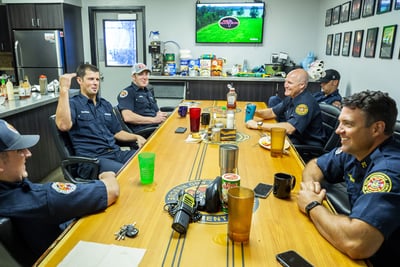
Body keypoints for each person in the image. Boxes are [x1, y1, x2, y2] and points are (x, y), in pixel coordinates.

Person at [297, 90, 400, 266]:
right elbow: (315, 165)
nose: (338, 131)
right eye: (340, 123)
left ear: (377, 128)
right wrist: (310, 188)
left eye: (348, 124)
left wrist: (312, 205)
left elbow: (357, 244)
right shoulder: (356, 149)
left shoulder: (389, 171)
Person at [0, 119, 119, 264]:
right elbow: (111, 191)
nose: (28, 153)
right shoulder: (44, 198)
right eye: (19, 150)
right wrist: (108, 175)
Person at [56, 63, 146, 178]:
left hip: (114, 153)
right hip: (92, 161)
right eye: (91, 79)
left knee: (147, 159)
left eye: (97, 79)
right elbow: (63, 125)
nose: (95, 83)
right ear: (79, 80)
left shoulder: (105, 104)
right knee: (129, 173)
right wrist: (63, 90)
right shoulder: (73, 104)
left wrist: (136, 137)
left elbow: (117, 132)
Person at [246, 68, 325, 146]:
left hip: (306, 145)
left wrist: (258, 125)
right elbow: (272, 112)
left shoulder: (305, 104)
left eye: (290, 83)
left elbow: (289, 128)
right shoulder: (292, 97)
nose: (285, 85)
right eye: (285, 81)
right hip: (294, 138)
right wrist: (255, 112)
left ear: (302, 85)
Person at [117, 63, 168, 134]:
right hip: (144, 132)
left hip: (155, 127)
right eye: (140, 74)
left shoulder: (148, 92)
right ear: (133, 77)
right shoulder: (128, 93)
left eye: (146, 74)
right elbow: (128, 117)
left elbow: (157, 111)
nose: (145, 77)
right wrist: (154, 120)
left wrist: (164, 116)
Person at [268, 68, 342, 109]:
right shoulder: (319, 94)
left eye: (325, 83)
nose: (321, 85)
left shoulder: (335, 101)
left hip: (302, 116)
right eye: (321, 82)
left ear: (335, 82)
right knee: (274, 99)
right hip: (294, 109)